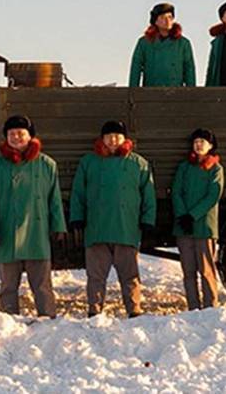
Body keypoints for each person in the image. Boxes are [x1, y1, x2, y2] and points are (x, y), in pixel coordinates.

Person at [0, 115, 67, 317]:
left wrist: (58, 227)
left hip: (37, 233)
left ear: (30, 136)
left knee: (42, 286)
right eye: (12, 134)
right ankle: (8, 320)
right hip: (7, 233)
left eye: (21, 133)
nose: (16, 137)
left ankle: (48, 318)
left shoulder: (47, 165)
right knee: (8, 286)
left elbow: (54, 199)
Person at [69, 120, 157, 317]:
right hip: (96, 228)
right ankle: (94, 310)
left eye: (117, 136)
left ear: (125, 138)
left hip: (127, 227)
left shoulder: (138, 163)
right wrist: (77, 217)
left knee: (130, 275)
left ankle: (134, 310)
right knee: (96, 276)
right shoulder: (89, 162)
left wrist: (147, 220)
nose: (113, 140)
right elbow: (78, 192)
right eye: (109, 136)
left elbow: (148, 194)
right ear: (102, 139)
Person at [171, 128, 224, 310]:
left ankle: (210, 306)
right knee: (188, 270)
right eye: (196, 142)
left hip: (204, 226)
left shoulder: (215, 169)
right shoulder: (184, 168)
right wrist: (182, 215)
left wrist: (192, 215)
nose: (199, 145)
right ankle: (193, 306)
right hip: (184, 227)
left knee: (206, 269)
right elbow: (176, 192)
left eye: (203, 142)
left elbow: (213, 195)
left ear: (210, 146)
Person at [129, 2, 196, 87]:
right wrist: (133, 92)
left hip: (176, 93)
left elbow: (189, 70)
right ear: (155, 21)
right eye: (163, 17)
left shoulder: (183, 43)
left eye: (170, 17)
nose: (167, 21)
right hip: (151, 92)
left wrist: (191, 93)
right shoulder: (144, 43)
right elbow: (136, 68)